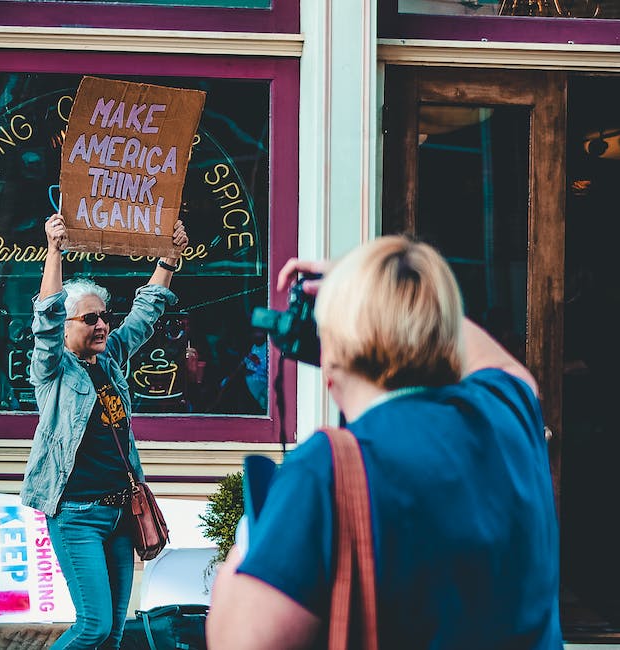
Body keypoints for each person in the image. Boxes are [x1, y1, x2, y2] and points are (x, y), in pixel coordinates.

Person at [206, 236, 562, 649]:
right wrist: (394, 298)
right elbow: (503, 366)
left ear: (331, 360)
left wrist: (249, 543)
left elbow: (243, 642)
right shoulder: (506, 415)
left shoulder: (328, 468)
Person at [20, 212, 188, 649]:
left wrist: (168, 260)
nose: (101, 324)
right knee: (92, 625)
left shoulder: (109, 359)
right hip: (77, 514)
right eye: (89, 318)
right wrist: (54, 252)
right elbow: (45, 322)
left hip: (119, 513)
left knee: (112, 634)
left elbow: (145, 314)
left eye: (103, 316)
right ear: (68, 327)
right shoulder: (53, 370)